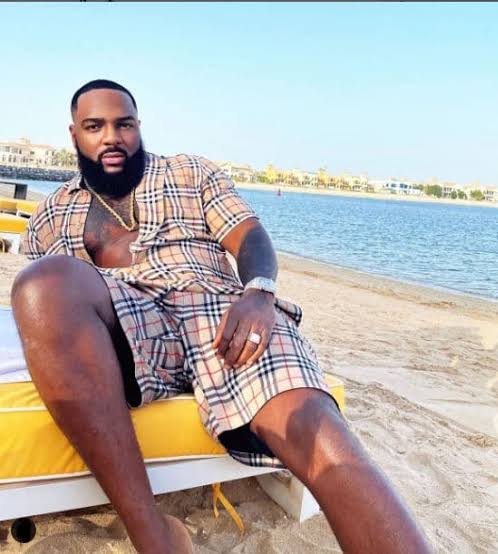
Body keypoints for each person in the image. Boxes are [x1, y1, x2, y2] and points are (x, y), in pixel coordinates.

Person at [11, 79, 432, 554]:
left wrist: (259, 292)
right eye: (94, 127)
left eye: (123, 124)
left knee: (315, 430)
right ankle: (155, 536)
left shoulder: (190, 173)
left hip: (217, 313)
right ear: (74, 134)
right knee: (41, 284)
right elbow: (55, 321)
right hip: (126, 331)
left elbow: (249, 236)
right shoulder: (51, 214)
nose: (111, 137)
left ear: (139, 127)